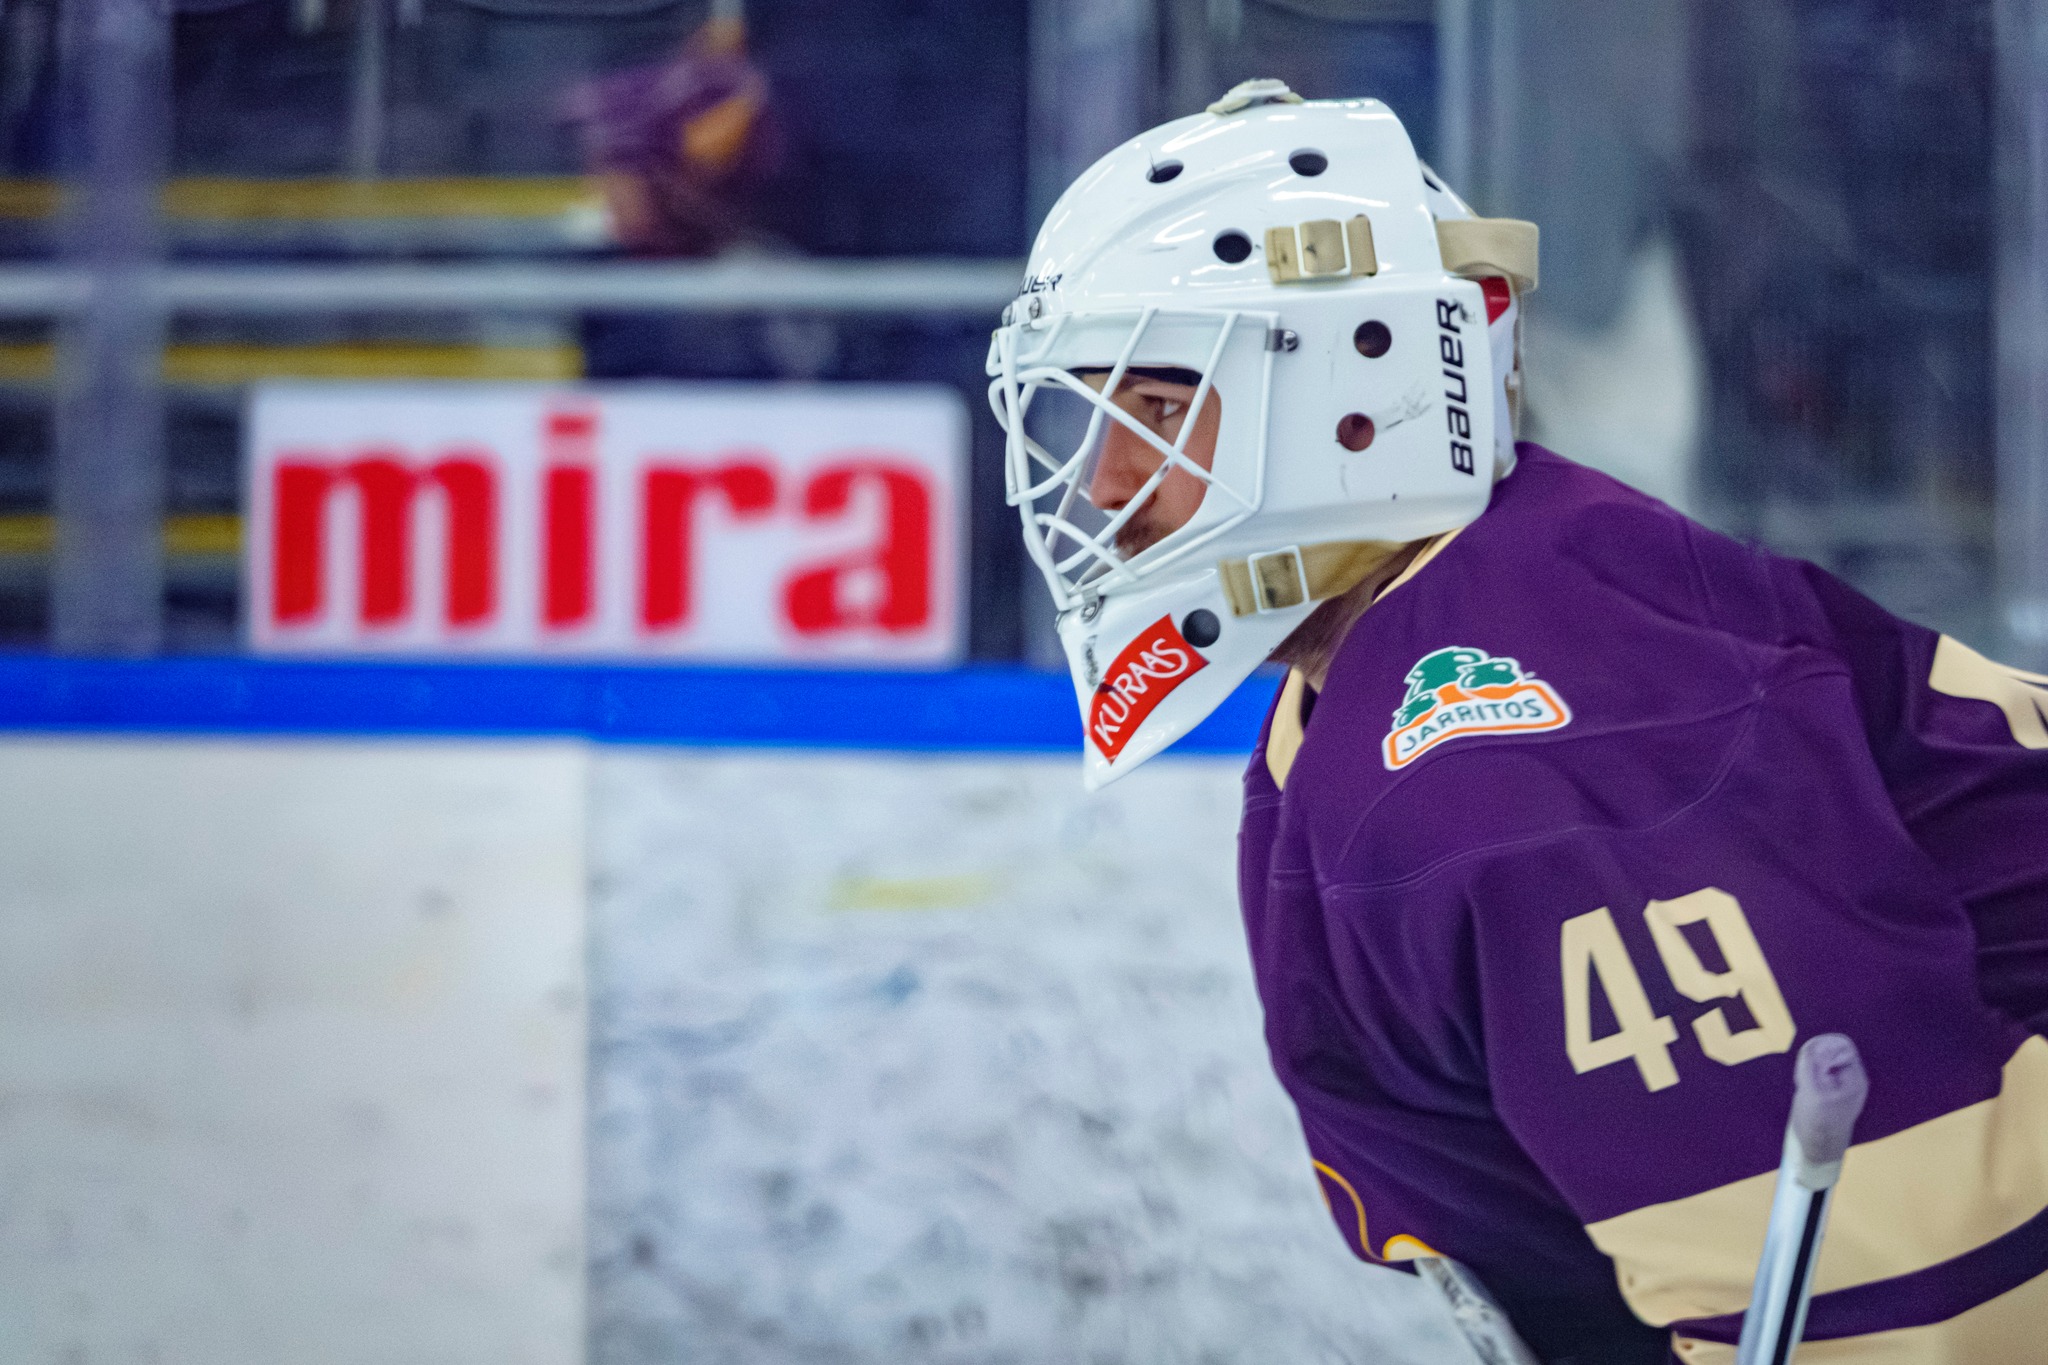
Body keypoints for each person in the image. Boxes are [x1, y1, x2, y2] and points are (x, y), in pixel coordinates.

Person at [987, 80, 2048, 1363]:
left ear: (1348, 391)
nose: (1103, 491)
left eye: (1154, 412)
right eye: (1092, 418)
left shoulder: (1519, 750)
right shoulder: (1438, 654)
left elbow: (1922, 1300)